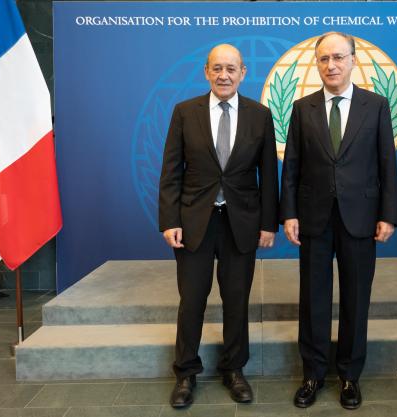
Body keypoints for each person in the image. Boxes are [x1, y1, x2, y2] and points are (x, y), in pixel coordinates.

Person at [280, 32, 397, 410]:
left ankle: (349, 376)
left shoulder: (376, 105)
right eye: (323, 59)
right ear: (316, 64)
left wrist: (388, 215)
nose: (330, 65)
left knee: (355, 299)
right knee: (313, 300)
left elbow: (387, 164)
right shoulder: (302, 108)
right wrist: (289, 214)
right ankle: (313, 373)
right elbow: (292, 167)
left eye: (338, 58)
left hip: (361, 218)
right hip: (313, 219)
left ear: (352, 60)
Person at [158, 43, 278, 408]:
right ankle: (186, 373)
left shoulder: (260, 115)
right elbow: (170, 171)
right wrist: (169, 220)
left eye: (231, 69)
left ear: (243, 73)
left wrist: (268, 224)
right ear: (206, 72)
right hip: (194, 221)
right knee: (192, 300)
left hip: (242, 222)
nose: (224, 75)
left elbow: (269, 175)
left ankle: (234, 369)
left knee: (237, 301)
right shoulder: (184, 112)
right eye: (217, 69)